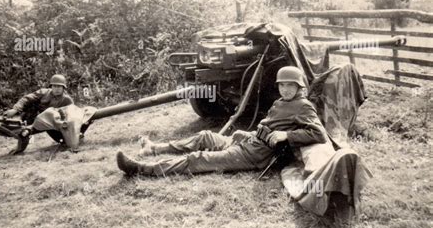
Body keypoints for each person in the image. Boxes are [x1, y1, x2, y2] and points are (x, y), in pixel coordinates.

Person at [116, 66, 329, 177]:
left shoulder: (303, 106)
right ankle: (153, 148)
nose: (285, 89)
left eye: (290, 86)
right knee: (205, 136)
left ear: (299, 86)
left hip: (255, 156)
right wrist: (251, 134)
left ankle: (142, 169)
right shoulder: (281, 102)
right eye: (282, 85)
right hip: (249, 143)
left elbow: (318, 134)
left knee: (197, 158)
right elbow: (270, 126)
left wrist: (287, 135)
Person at [4, 74, 74, 125]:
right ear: (51, 86)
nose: (56, 89)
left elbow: (73, 114)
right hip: (36, 119)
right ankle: (24, 125)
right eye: (54, 86)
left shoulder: (67, 99)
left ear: (63, 88)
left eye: (59, 86)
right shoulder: (43, 92)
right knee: (31, 102)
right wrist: (15, 109)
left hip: (54, 123)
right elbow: (27, 98)